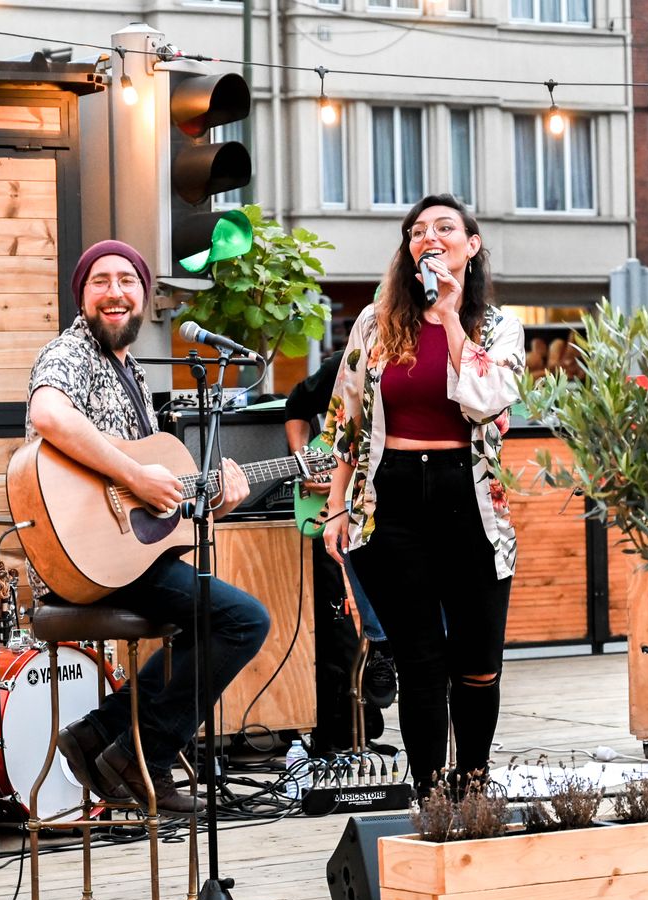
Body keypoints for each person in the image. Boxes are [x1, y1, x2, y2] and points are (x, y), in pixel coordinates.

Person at [34, 240, 270, 814]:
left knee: (213, 624)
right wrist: (136, 475)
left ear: (143, 296)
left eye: (128, 281)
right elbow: (49, 414)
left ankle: (101, 732)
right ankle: (145, 758)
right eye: (100, 281)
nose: (114, 292)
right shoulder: (69, 352)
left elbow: (157, 507)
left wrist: (216, 501)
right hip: (84, 557)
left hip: (127, 555)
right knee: (244, 620)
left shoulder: (132, 373)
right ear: (81, 296)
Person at [321, 194, 524, 794]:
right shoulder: (375, 322)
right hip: (393, 499)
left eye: (444, 227)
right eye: (416, 231)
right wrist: (335, 507)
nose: (428, 237)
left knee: (478, 662)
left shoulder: (499, 327)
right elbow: (347, 421)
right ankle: (432, 794)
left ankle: (474, 782)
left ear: (471, 245)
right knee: (420, 663)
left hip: (471, 500)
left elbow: (487, 401)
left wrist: (451, 317)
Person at [284, 352, 397, 754]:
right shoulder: (350, 360)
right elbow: (297, 404)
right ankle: (379, 648)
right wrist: (307, 463)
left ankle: (386, 651)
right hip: (348, 505)